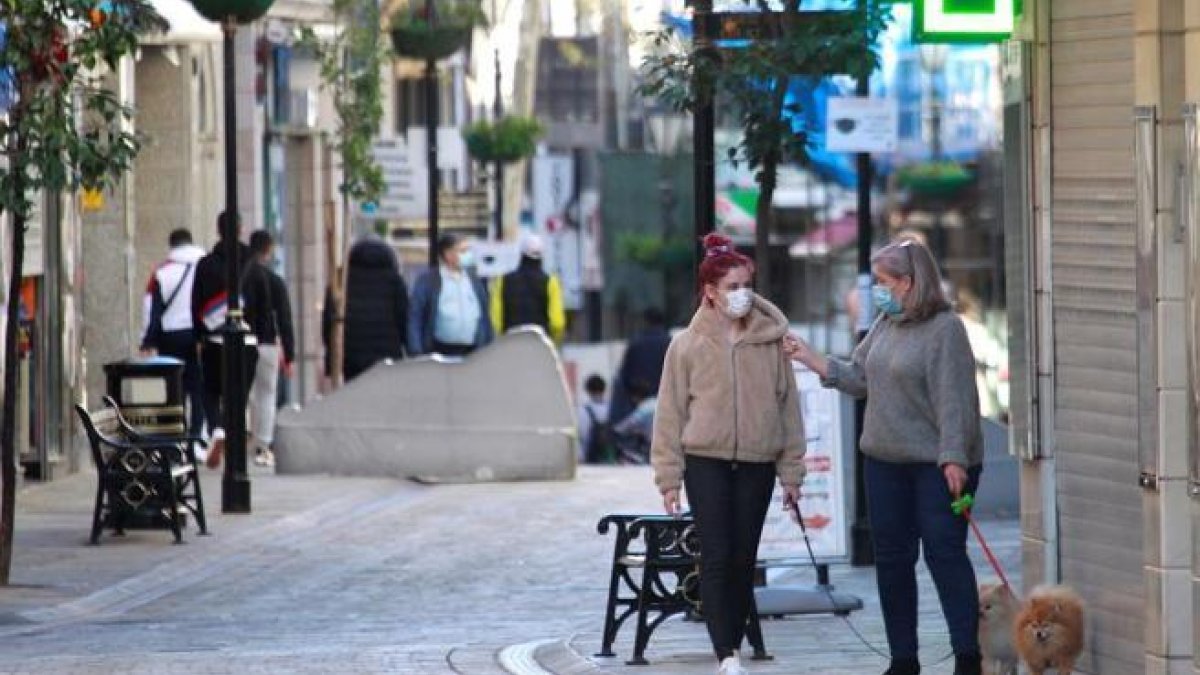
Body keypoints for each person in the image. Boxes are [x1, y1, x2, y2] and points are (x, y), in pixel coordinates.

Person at [784, 237, 985, 675]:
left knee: (944, 554)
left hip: (936, 464)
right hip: (884, 462)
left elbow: (955, 399)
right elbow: (859, 377)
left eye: (883, 281)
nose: (876, 290)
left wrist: (954, 457)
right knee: (893, 561)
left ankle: (968, 656)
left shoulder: (945, 329)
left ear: (908, 282)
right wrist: (810, 358)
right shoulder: (886, 324)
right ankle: (903, 659)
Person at [651, 233, 806, 675]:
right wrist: (668, 478)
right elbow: (669, 413)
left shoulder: (772, 343)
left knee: (743, 559)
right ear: (711, 292)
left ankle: (732, 642)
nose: (742, 294)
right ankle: (726, 653)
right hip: (706, 462)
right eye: (733, 287)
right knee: (717, 556)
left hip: (758, 463)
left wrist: (791, 473)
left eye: (746, 285)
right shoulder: (685, 346)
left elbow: (788, 410)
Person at [191, 211, 266, 469]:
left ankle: (217, 429)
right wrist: (260, 337)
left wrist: (199, 336)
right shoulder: (254, 266)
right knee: (239, 395)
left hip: (214, 340)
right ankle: (230, 439)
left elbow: (195, 304)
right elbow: (264, 306)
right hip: (247, 341)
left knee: (211, 390)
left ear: (218, 230)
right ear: (241, 229)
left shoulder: (205, 265)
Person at [139, 228, 206, 438]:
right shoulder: (204, 267)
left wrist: (148, 340)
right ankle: (197, 435)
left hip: (170, 336)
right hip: (198, 335)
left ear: (171, 246)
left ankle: (177, 432)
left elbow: (152, 310)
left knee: (175, 387)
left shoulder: (162, 272)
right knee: (198, 387)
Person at [322, 236, 408, 382]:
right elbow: (403, 316)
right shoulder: (394, 281)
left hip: (349, 353)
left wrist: (331, 347)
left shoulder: (341, 281)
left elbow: (329, 320)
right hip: (385, 352)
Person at [245, 230, 295, 468]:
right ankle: (262, 446)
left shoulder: (241, 278)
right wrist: (290, 355)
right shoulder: (274, 281)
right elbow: (285, 319)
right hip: (266, 344)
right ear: (268, 250)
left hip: (241, 343)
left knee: (245, 395)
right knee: (266, 395)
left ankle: (243, 440)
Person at [407, 233, 493, 357]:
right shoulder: (428, 280)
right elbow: (416, 316)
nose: (468, 255)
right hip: (440, 351)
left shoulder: (475, 279)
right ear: (448, 254)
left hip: (473, 352)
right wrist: (416, 351)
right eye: (463, 251)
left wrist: (489, 347)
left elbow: (484, 315)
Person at [489, 234, 566, 343]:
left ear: (521, 255)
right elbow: (557, 323)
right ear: (541, 256)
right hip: (540, 343)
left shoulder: (502, 280)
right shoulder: (551, 282)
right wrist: (554, 341)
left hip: (510, 342)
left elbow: (495, 320)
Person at [608, 306, 672, 427]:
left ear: (645, 321)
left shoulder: (636, 343)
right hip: (665, 401)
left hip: (640, 401)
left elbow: (624, 376)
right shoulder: (670, 342)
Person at [577, 374, 611, 464]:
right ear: (604, 389)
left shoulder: (583, 411)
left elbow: (581, 436)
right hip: (612, 458)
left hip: (591, 460)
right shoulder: (613, 408)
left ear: (588, 390)